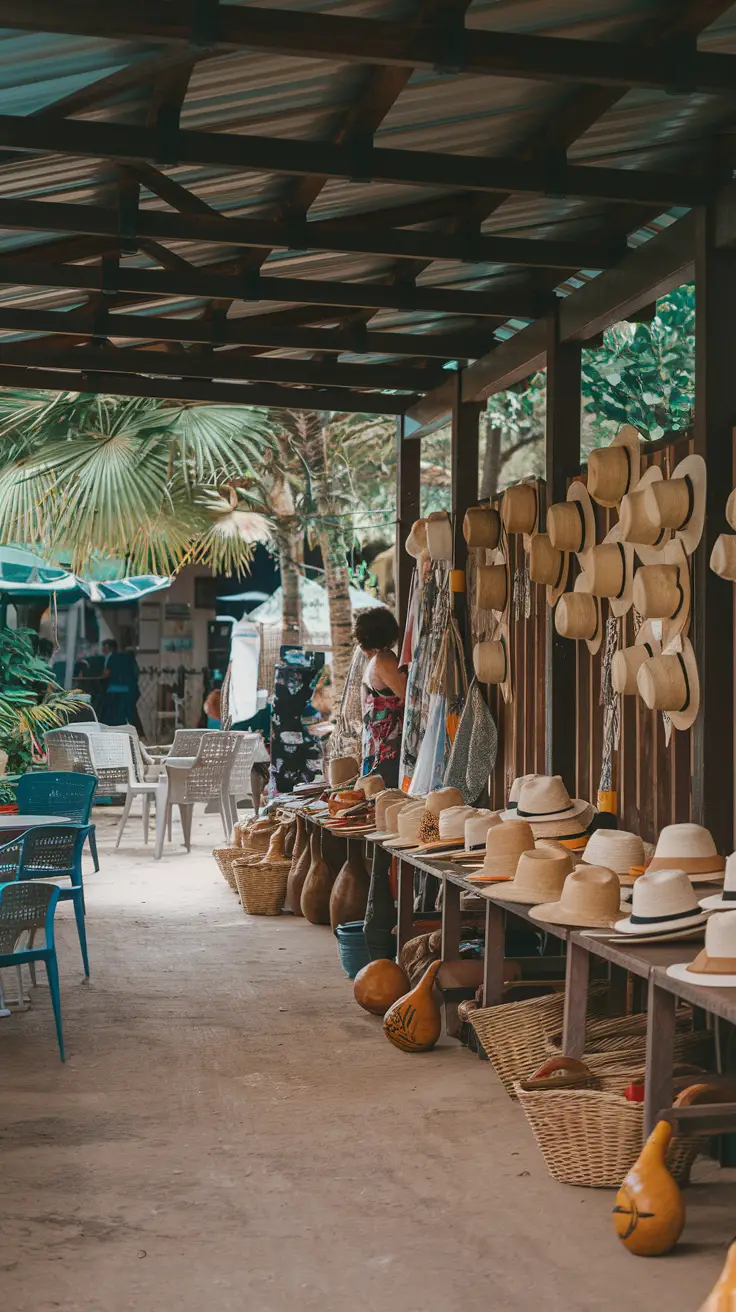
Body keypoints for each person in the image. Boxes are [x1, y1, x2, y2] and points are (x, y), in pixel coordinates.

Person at [353, 607, 406, 788]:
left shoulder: (374, 661)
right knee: (389, 794)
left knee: (379, 794)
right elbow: (407, 696)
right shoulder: (384, 660)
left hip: (378, 744)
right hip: (388, 746)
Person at [100, 639, 142, 731]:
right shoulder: (128, 657)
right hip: (129, 690)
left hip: (114, 690)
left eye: (104, 648)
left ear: (110, 648)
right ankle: (140, 733)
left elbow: (106, 673)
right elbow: (136, 672)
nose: (103, 650)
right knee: (131, 714)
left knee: (113, 716)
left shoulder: (111, 657)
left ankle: (115, 732)